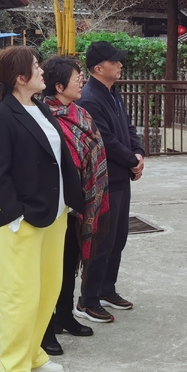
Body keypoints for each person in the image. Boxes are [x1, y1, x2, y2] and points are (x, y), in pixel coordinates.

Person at [0, 47, 83, 372]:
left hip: (54, 214)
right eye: (37, 67)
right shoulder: (0, 115)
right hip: (21, 219)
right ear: (20, 77)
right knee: (19, 295)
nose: (43, 72)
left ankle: (33, 354)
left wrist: (69, 200)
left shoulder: (39, 107)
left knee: (47, 289)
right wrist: (14, 213)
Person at [39, 55, 109, 354]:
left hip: (81, 201)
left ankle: (65, 314)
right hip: (57, 201)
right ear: (58, 85)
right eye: (76, 76)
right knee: (49, 266)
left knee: (69, 262)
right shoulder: (45, 116)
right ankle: (47, 322)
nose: (81, 80)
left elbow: (94, 148)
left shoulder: (79, 112)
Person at [74, 41, 145, 323]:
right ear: (98, 68)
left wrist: (138, 153)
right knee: (101, 240)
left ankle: (107, 289)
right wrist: (131, 160)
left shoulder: (113, 93)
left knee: (118, 238)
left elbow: (128, 128)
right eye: (114, 62)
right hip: (103, 180)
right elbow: (105, 140)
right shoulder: (90, 97)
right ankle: (87, 299)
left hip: (121, 178)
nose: (120, 65)